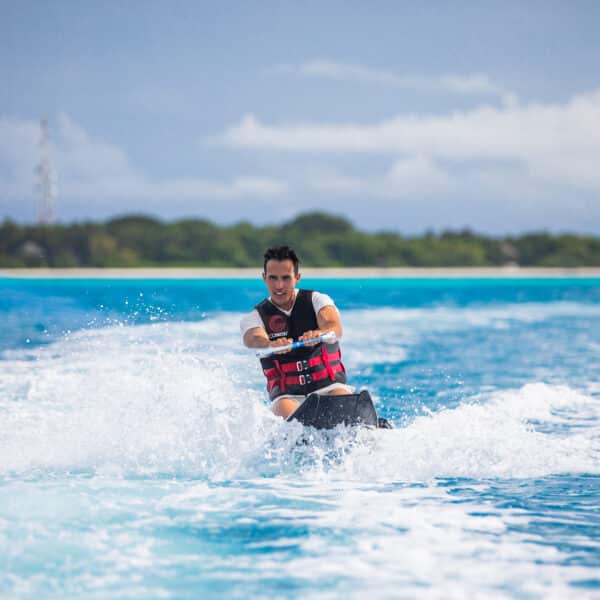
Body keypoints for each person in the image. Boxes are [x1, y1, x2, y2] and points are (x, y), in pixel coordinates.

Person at [241, 245, 354, 419]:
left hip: (329, 388)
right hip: (288, 397)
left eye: (286, 278)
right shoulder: (254, 317)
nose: (279, 285)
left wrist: (319, 333)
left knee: (341, 397)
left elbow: (333, 326)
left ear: (297, 278)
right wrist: (270, 344)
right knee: (284, 409)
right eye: (273, 278)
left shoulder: (318, 300)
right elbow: (252, 338)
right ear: (264, 278)